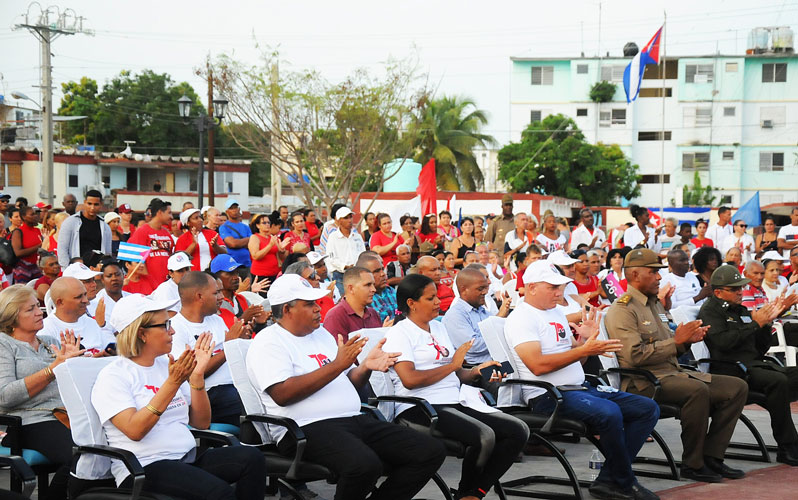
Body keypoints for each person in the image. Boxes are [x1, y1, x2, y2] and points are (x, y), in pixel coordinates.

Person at [247, 273, 446, 500]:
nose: (318, 308)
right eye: (309, 304)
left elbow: (348, 381)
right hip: (305, 428)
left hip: (352, 419)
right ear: (286, 310)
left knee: (429, 451)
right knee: (364, 465)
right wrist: (337, 365)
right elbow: (282, 394)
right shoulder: (268, 341)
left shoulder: (321, 334)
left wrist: (365, 367)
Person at [505, 260, 661, 500]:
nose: (559, 293)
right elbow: (537, 366)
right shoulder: (522, 318)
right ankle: (624, 481)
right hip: (549, 395)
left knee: (647, 408)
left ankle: (609, 479)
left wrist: (585, 344)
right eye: (552, 287)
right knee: (609, 412)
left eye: (560, 287)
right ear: (532, 287)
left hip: (577, 388)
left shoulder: (555, 313)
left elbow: (575, 359)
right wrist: (583, 349)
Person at [91, 294, 266, 498]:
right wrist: (173, 383)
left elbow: (201, 423)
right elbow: (135, 430)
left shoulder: (166, 365)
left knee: (252, 458)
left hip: (185, 456)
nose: (172, 331)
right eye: (165, 325)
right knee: (219, 493)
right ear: (141, 333)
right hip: (144, 466)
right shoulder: (114, 375)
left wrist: (197, 376)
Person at [604, 248, 749, 483]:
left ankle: (712, 456)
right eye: (653, 272)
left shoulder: (655, 304)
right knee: (697, 391)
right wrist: (676, 342)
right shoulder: (623, 309)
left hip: (673, 373)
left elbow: (672, 345)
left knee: (736, 387)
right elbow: (633, 356)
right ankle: (693, 464)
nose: (659, 277)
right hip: (643, 382)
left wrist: (686, 341)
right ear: (635, 275)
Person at [384, 273, 529, 500]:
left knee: (518, 430)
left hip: (456, 399)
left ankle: (474, 493)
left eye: (436, 296)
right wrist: (452, 365)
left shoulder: (438, 328)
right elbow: (409, 380)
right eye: (430, 298)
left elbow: (457, 374)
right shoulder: (399, 333)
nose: (438, 302)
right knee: (484, 436)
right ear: (411, 303)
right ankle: (467, 493)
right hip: (422, 406)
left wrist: (477, 371)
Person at [698, 264, 798, 466]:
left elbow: (759, 348)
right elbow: (723, 343)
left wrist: (766, 324)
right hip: (731, 369)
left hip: (755, 365)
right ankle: (788, 446)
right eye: (734, 289)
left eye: (741, 288)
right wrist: (755, 324)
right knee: (777, 382)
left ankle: (786, 433)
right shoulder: (710, 311)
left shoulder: (741, 310)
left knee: (787, 379)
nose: (740, 292)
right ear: (718, 292)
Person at [0, 285, 85, 500]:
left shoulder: (51, 343)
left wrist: (76, 366)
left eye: (38, 306)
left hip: (65, 416)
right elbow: (5, 397)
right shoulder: (4, 345)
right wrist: (52, 370)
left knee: (105, 449)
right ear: (12, 316)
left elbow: (72, 387)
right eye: (30, 309)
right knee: (83, 457)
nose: (40, 312)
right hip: (27, 421)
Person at [171, 271, 246, 425]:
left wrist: (241, 341)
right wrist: (228, 348)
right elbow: (189, 374)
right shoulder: (176, 327)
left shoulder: (216, 320)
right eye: (216, 293)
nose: (221, 297)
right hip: (208, 393)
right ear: (199, 296)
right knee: (247, 402)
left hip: (236, 384)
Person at [443, 267, 510, 365]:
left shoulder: (482, 310)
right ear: (464, 289)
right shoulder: (455, 315)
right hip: (477, 368)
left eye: (486, 288)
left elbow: (495, 331)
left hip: (499, 362)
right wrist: (504, 337)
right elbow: (472, 346)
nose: (485, 292)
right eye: (480, 289)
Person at [40, 276, 113, 356]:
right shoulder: (45, 330)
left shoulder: (92, 323)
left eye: (85, 295)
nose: (86, 300)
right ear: (60, 302)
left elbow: (111, 350)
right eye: (79, 297)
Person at [323, 266, 387, 344]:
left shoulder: (373, 314)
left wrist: (385, 333)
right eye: (368, 285)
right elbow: (339, 351)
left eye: (373, 285)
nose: (374, 289)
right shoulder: (335, 316)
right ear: (351, 288)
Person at [57, 190, 112, 268]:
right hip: (75, 268)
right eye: (89, 204)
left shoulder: (105, 227)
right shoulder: (70, 222)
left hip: (96, 269)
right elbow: (62, 248)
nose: (92, 208)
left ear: (101, 204)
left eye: (96, 204)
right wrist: (66, 268)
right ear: (84, 202)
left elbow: (107, 252)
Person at [211, 255, 268, 329]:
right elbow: (220, 331)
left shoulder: (241, 299)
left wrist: (260, 321)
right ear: (216, 276)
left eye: (236, 273)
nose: (236, 277)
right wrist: (243, 319)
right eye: (230, 273)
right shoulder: (214, 303)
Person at [127, 198, 174, 289]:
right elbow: (137, 261)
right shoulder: (142, 231)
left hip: (166, 285)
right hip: (150, 288)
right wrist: (150, 284)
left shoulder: (167, 234)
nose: (171, 217)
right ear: (160, 212)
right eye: (169, 213)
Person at [325, 207, 366, 297]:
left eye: (350, 217)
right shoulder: (333, 237)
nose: (350, 220)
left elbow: (363, 254)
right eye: (346, 218)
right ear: (339, 221)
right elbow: (331, 258)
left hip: (356, 273)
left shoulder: (357, 236)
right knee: (343, 299)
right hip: (340, 275)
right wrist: (345, 266)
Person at [357, 252, 398, 322]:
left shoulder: (391, 291)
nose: (383, 274)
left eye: (382, 269)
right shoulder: (361, 299)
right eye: (376, 271)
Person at [94, 260, 130, 338]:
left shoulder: (131, 298)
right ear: (102, 279)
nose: (114, 278)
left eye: (117, 274)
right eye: (109, 276)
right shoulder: (96, 302)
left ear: (123, 275)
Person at [248, 213, 285, 285]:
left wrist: (282, 250)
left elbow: (280, 256)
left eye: (268, 222)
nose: (267, 224)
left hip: (274, 273)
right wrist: (270, 245)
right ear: (258, 225)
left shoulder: (272, 237)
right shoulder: (255, 237)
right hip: (261, 274)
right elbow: (255, 256)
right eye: (264, 223)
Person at [10, 206, 43, 283]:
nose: (35, 216)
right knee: (23, 290)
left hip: (37, 267)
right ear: (24, 217)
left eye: (35, 214)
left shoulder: (37, 230)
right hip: (23, 268)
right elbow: (18, 253)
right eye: (32, 214)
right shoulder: (18, 232)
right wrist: (39, 246)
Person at [218, 199, 252, 270]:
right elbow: (232, 244)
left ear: (239, 209)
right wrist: (247, 239)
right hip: (232, 265)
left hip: (247, 264)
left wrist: (238, 242)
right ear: (227, 211)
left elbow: (251, 244)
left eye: (235, 208)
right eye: (231, 208)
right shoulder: (224, 227)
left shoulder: (246, 227)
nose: (234, 210)